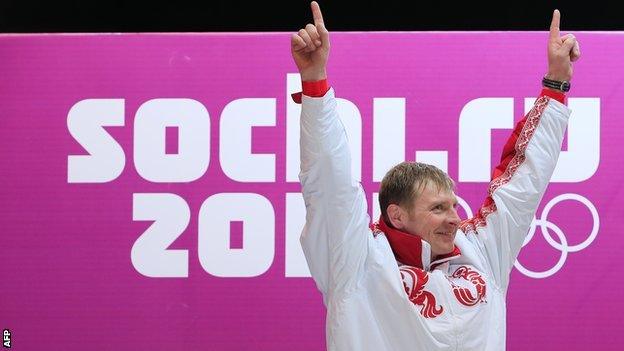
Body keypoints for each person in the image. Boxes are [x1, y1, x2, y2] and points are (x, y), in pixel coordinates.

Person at [291, 2, 580, 350]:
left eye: (453, 206)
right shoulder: (358, 261)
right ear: (396, 214)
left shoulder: (482, 251)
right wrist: (314, 82)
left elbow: (524, 183)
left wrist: (556, 84)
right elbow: (329, 183)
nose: (454, 219)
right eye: (438, 208)